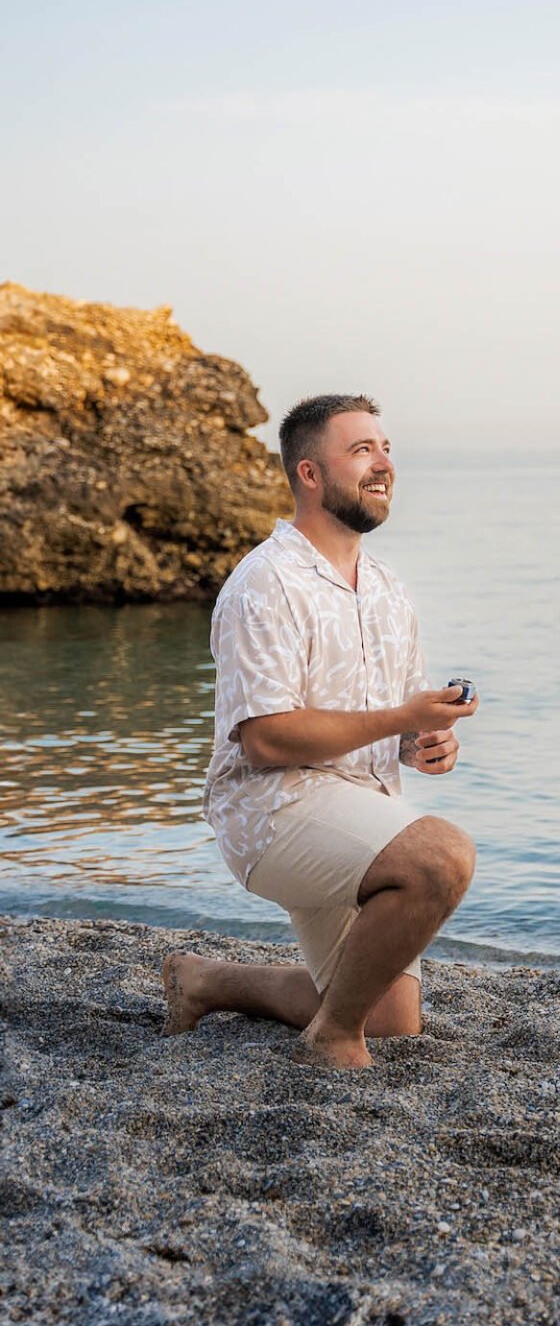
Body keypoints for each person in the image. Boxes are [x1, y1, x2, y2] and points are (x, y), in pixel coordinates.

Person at [161, 393, 477, 1070]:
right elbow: (267, 740)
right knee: (440, 858)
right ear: (310, 473)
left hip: (360, 808)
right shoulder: (266, 583)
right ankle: (331, 1036)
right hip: (273, 812)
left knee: (393, 1018)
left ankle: (207, 981)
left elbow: (390, 727)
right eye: (362, 450)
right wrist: (402, 717)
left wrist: (424, 741)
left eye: (387, 448)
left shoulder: (389, 591)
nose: (384, 463)